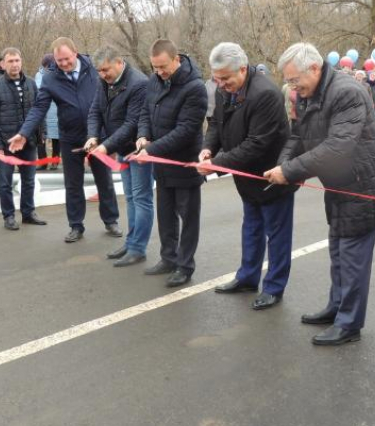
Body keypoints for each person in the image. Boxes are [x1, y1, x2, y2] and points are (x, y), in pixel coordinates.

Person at [264, 43, 375, 346]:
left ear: (314, 68)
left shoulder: (346, 92)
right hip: (340, 185)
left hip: (365, 187)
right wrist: (283, 164)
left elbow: (338, 149)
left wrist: (290, 172)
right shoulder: (307, 94)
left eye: (294, 79)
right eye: (288, 81)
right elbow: (299, 135)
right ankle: (337, 307)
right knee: (338, 251)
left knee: (352, 258)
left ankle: (349, 324)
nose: (292, 86)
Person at [199, 42, 296, 310]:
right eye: (216, 79)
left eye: (226, 79)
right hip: (244, 175)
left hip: (271, 176)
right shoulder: (222, 90)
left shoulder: (265, 94)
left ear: (242, 69)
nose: (220, 84)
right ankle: (247, 277)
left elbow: (256, 144)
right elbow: (216, 123)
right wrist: (208, 149)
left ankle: (274, 287)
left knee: (277, 235)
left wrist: (217, 165)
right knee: (251, 229)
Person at [9, 37, 121, 242]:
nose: (64, 64)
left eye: (67, 59)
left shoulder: (94, 69)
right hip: (70, 137)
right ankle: (76, 226)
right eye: (59, 60)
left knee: (104, 181)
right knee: (73, 184)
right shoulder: (51, 78)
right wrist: (24, 132)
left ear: (75, 53)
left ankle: (111, 220)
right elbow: (39, 108)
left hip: (97, 137)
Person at [131, 39, 208, 288]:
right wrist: (143, 137)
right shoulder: (155, 81)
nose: (160, 72)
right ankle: (168, 257)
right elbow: (145, 112)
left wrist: (150, 150)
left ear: (176, 59)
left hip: (184, 162)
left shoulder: (195, 87)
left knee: (188, 217)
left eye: (163, 67)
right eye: (155, 67)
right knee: (165, 214)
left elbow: (185, 130)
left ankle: (185, 265)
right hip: (160, 163)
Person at [84, 46, 153, 267]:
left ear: (119, 63)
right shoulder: (103, 81)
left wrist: (105, 147)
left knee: (141, 199)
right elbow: (95, 109)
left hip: (137, 150)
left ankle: (138, 248)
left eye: (106, 70)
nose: (103, 75)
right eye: (99, 71)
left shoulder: (139, 84)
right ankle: (131, 242)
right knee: (131, 198)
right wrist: (93, 136)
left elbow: (132, 123)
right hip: (121, 149)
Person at [0, 47, 47, 230]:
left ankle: (28, 213)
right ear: (3, 64)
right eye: (10, 61)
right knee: (5, 182)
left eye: (17, 60)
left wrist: (40, 134)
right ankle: (9, 216)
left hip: (29, 142)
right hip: (6, 145)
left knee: (29, 180)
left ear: (21, 62)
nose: (14, 64)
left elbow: (39, 111)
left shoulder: (30, 83)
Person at [35, 54, 60, 169]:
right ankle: (43, 161)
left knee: (56, 138)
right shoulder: (38, 75)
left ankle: (55, 161)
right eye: (47, 66)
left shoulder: (59, 74)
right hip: (42, 110)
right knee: (41, 137)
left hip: (56, 111)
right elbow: (37, 90)